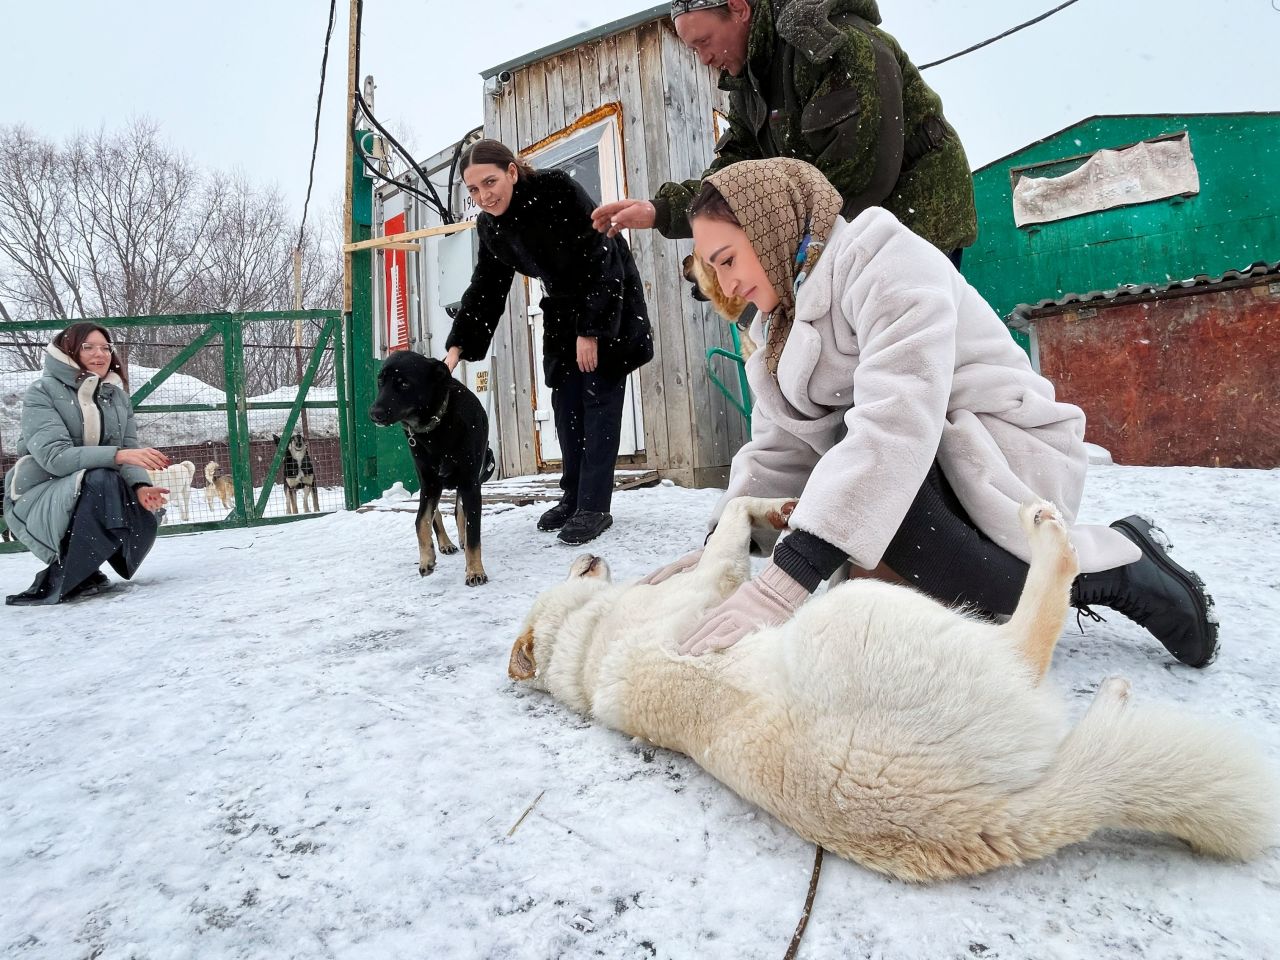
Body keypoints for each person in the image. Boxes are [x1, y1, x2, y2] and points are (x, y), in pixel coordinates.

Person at [646, 158, 1217, 668]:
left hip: (1002, 453)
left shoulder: (880, 258)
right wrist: (724, 545)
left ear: (768, 229)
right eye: (711, 269)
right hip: (915, 472)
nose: (724, 284)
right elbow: (779, 450)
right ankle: (965, 571)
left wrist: (784, 582)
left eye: (727, 259)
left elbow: (898, 418)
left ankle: (1118, 569)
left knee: (956, 575)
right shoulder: (776, 333)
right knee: (879, 623)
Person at [591, 0, 977, 264]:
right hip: (851, 230)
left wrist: (768, 250)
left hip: (914, 218)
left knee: (913, 363)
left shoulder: (831, 46)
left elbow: (862, 175)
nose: (703, 58)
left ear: (739, 8)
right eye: (693, 49)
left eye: (704, 42)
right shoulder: (751, 84)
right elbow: (735, 179)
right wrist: (663, 211)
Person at [443, 140, 654, 546]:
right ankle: (573, 496)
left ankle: (594, 506)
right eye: (473, 190)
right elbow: (487, 285)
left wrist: (591, 331)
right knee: (565, 404)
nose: (484, 195)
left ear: (512, 171)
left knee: (598, 399)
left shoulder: (555, 190)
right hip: (561, 305)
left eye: (490, 182)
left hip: (608, 294)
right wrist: (458, 345)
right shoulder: (491, 226)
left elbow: (600, 253)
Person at [4, 322, 169, 605]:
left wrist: (141, 486)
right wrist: (118, 456)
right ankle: (69, 573)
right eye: (88, 347)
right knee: (103, 477)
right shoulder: (42, 392)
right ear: (68, 352)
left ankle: (86, 569)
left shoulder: (116, 396)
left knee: (115, 485)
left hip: (93, 487)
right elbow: (54, 458)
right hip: (41, 493)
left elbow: (128, 449)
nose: (100, 354)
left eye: (106, 347)